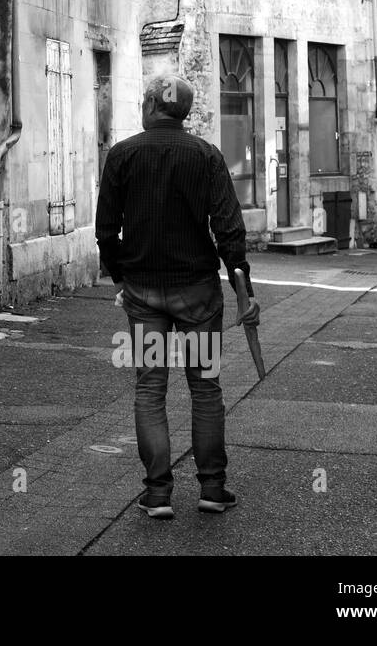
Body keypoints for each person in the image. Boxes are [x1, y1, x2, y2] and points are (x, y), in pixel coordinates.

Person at [94, 74, 260, 520]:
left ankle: (157, 494)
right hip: (197, 295)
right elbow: (229, 229)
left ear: (150, 104)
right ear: (182, 111)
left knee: (150, 389)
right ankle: (211, 488)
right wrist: (242, 282)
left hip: (144, 292)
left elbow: (106, 232)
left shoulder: (122, 156)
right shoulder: (206, 155)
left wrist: (120, 279)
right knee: (204, 389)